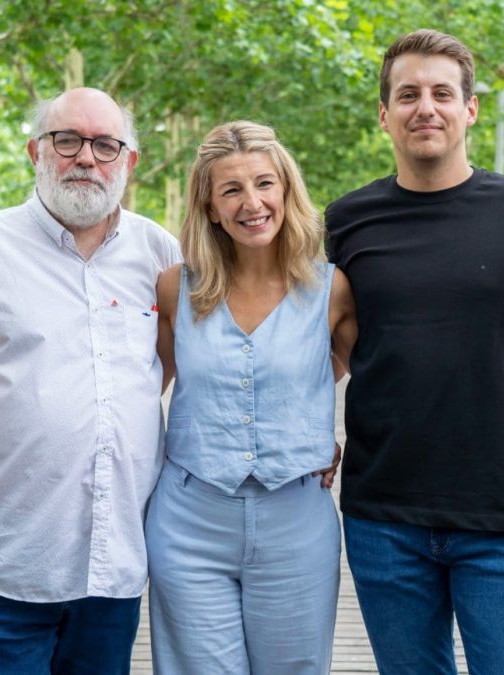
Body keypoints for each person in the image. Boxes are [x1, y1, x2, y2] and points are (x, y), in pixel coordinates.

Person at [0, 87, 181, 674]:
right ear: (36, 151)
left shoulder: (160, 252)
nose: (86, 157)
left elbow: (159, 366)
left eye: (106, 145)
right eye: (67, 140)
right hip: (4, 568)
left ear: (129, 162)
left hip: (115, 571)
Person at [325, 29, 504, 674]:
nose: (425, 107)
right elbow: (325, 345)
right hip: (384, 515)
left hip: (503, 510)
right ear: (385, 115)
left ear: (470, 109)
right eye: (407, 94)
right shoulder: (345, 221)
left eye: (442, 92)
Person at [144, 120, 356, 674]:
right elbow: (138, 389)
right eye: (231, 190)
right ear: (211, 207)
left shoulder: (331, 288)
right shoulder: (175, 288)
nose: (252, 202)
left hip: (297, 519)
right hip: (189, 518)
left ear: (286, 191)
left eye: (265, 184)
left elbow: (383, 378)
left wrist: (307, 428)